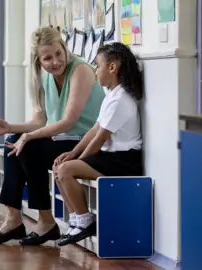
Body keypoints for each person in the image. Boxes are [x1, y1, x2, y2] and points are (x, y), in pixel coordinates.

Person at [0, 26, 105, 245]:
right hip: (61, 139)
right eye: (47, 58)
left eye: (58, 53)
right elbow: (39, 121)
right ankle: (13, 218)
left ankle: (46, 221)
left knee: (27, 146)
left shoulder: (81, 70)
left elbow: (69, 121)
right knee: (12, 143)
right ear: (38, 60)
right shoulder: (45, 77)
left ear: (64, 49)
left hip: (84, 141)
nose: (55, 61)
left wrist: (27, 137)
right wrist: (10, 128)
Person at [52, 42, 144, 246]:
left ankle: (85, 222)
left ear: (112, 68)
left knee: (65, 170)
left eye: (98, 65)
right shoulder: (111, 95)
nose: (95, 70)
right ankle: (76, 220)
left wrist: (79, 161)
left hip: (124, 161)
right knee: (60, 167)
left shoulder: (121, 98)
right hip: (110, 157)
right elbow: (94, 129)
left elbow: (101, 137)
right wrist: (73, 153)